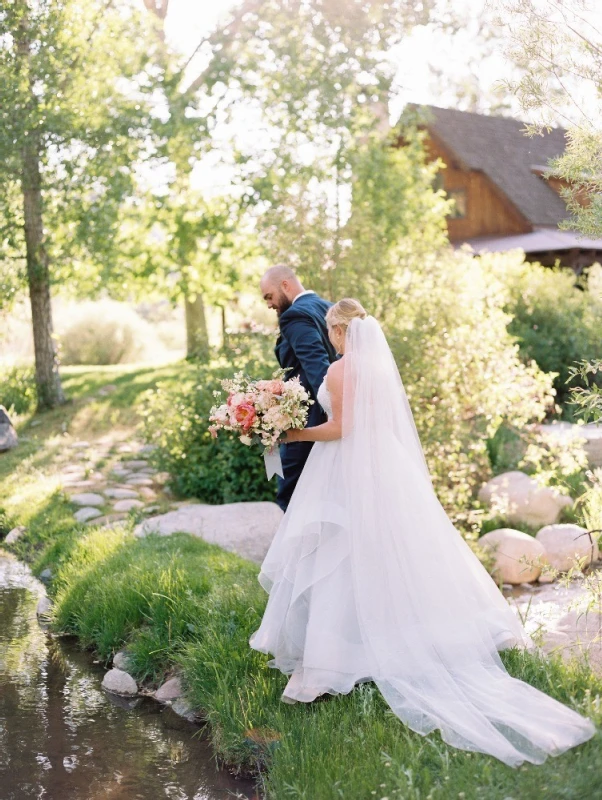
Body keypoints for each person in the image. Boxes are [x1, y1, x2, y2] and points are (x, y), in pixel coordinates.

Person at [249, 298, 596, 767]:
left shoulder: (339, 372)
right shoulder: (376, 370)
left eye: (331, 332)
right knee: (396, 551)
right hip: (387, 470)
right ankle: (396, 629)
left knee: (343, 553)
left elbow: (340, 429)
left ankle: (338, 652)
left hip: (345, 472)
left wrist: (291, 435)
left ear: (336, 331)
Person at [260, 265, 337, 511]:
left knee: (290, 495)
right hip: (331, 421)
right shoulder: (329, 308)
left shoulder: (294, 316)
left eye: (269, 296)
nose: (269, 304)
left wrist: (336, 417)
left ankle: (292, 549)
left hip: (309, 422)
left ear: (285, 285)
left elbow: (319, 369)